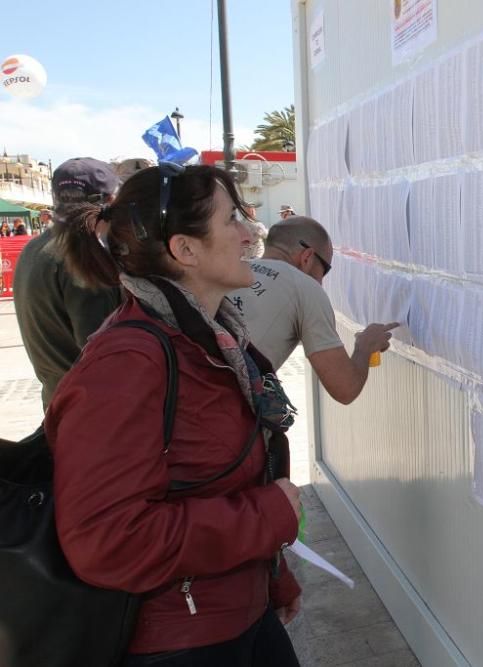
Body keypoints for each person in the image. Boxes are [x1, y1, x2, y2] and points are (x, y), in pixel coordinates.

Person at [45, 163, 303, 665]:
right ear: (185, 250)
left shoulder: (210, 338)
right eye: (233, 219)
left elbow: (221, 480)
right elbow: (106, 539)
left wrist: (274, 573)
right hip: (179, 641)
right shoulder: (128, 363)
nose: (252, 233)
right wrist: (268, 515)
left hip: (238, 613)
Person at [227, 216, 396, 403]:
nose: (321, 282)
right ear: (307, 257)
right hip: (221, 412)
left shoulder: (232, 272)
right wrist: (365, 347)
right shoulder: (305, 288)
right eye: (324, 270)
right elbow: (345, 388)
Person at [13, 158, 124, 409]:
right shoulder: (83, 258)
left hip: (60, 403)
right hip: (92, 411)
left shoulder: (36, 247)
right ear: (108, 202)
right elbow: (102, 353)